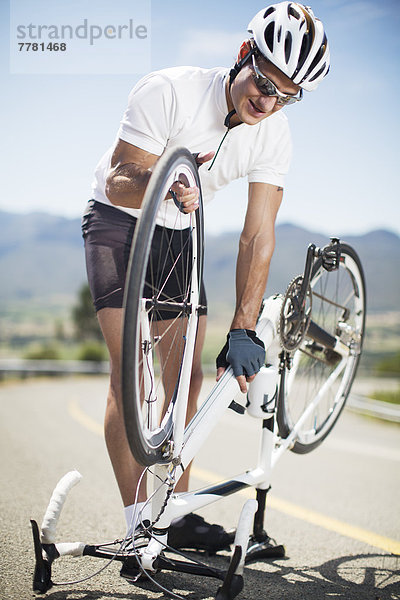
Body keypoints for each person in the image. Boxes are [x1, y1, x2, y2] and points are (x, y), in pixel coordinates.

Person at [82, 1, 330, 561]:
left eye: (284, 95)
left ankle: (175, 516)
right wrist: (165, 174)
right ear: (244, 56)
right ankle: (136, 530)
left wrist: (244, 327)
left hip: (180, 235)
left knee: (186, 381)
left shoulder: (273, 135)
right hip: (120, 221)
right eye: (264, 82)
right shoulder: (170, 89)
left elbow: (257, 236)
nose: (266, 102)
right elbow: (121, 177)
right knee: (132, 376)